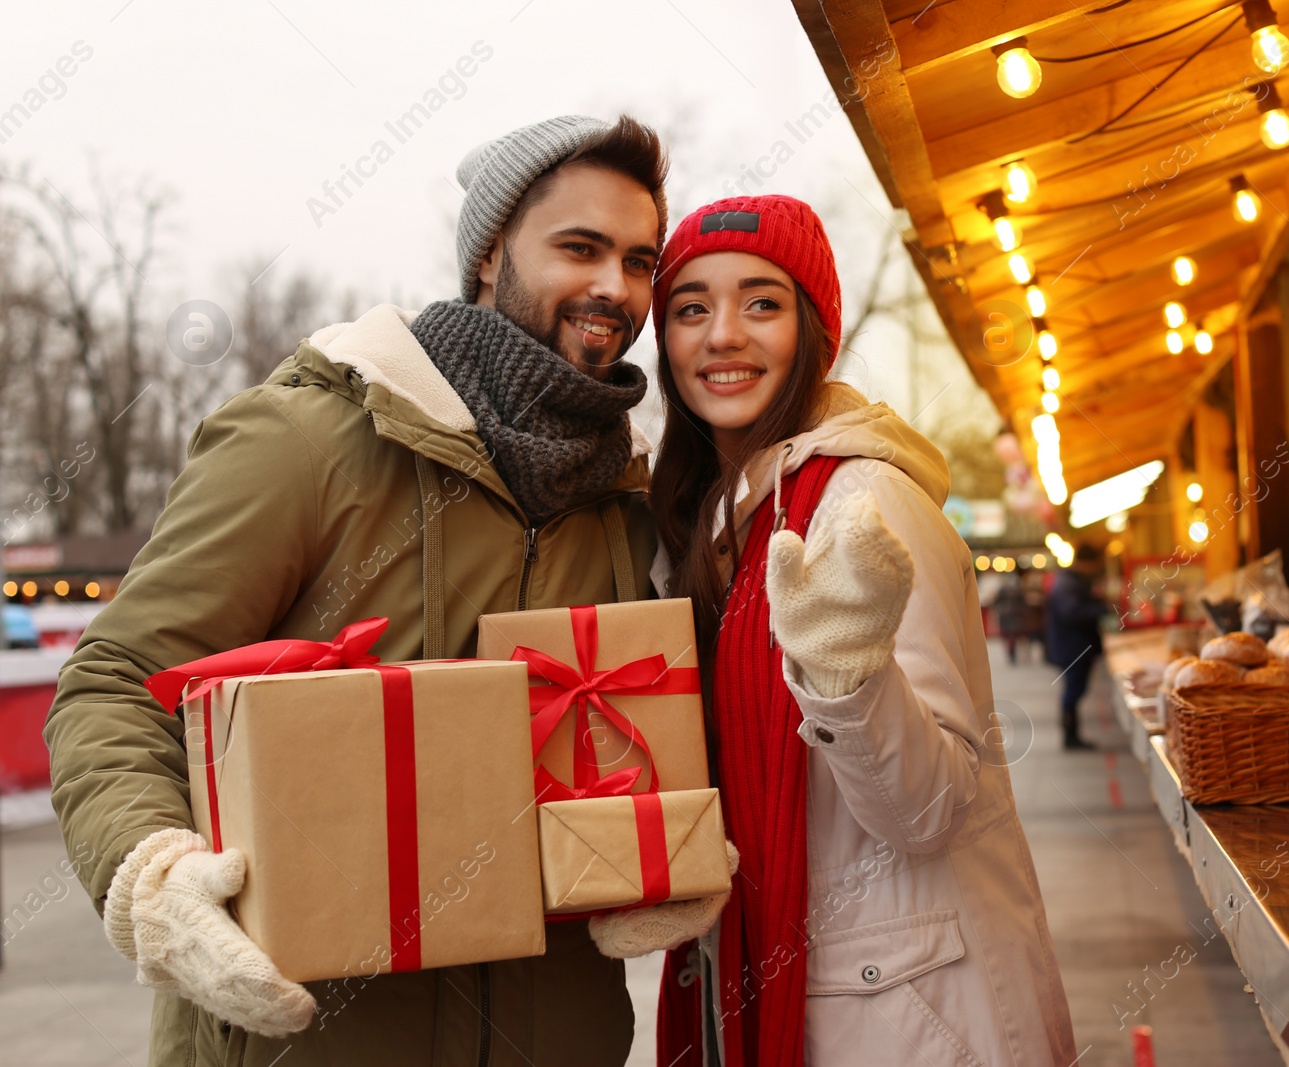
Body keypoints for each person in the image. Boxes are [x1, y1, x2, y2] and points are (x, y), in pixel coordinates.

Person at [44, 114, 667, 1066]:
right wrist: (152, 872)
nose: (613, 288)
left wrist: (663, 854)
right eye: (579, 248)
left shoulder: (625, 499)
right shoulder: (305, 442)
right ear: (492, 250)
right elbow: (115, 679)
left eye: (639, 260)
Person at [636, 194, 1076, 1066]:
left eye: (762, 302)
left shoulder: (863, 504)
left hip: (912, 1008)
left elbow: (930, 805)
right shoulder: (710, 523)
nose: (723, 334)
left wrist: (849, 680)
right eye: (692, 308)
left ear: (815, 331)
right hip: (783, 970)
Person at [1045, 543, 1108, 750]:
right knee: (1073, 690)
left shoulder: (1068, 580)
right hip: (1072, 646)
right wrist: (1099, 608)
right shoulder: (1068, 583)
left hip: (1072, 645)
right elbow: (1073, 612)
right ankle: (1070, 736)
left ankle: (1071, 734)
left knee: (1074, 689)